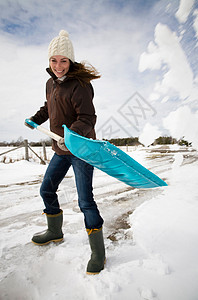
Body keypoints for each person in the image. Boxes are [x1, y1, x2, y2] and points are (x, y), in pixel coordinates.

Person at [25, 30, 105, 275]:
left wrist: (70, 137)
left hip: (80, 149)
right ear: (49, 61)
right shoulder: (50, 83)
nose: (58, 66)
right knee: (46, 189)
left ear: (70, 61)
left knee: (85, 201)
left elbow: (88, 118)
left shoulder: (80, 84)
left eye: (63, 60)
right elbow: (49, 106)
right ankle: (55, 231)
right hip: (60, 149)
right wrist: (35, 118)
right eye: (53, 60)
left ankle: (98, 254)